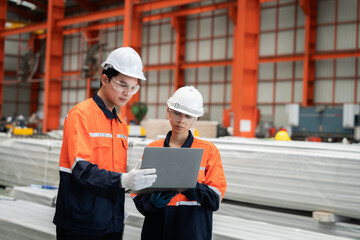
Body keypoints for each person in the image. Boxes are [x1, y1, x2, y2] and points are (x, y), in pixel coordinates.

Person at [53, 47, 157, 240]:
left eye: (134, 88)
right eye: (122, 85)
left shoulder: (121, 124)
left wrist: (134, 182)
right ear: (104, 79)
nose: (127, 93)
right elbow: (81, 169)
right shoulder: (81, 115)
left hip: (112, 223)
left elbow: (113, 171)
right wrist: (123, 180)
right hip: (80, 224)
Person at [131, 86, 227, 240]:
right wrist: (153, 203)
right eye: (177, 113)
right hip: (156, 228)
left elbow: (214, 199)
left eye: (188, 116)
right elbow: (138, 194)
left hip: (192, 230)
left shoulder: (208, 151)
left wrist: (187, 185)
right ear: (168, 112)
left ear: (196, 118)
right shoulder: (153, 149)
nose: (181, 120)